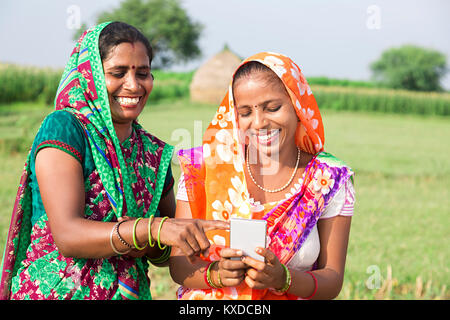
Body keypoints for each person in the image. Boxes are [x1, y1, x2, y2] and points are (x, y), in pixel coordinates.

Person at [0, 21, 228, 300]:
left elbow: (166, 251)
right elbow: (68, 236)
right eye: (118, 73)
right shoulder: (66, 129)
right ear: (91, 76)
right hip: (57, 292)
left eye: (143, 73)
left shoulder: (153, 154)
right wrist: (149, 229)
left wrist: (172, 241)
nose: (133, 85)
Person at [169, 52, 355, 300]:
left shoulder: (326, 179)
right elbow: (179, 266)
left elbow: (332, 278)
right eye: (245, 112)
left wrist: (285, 280)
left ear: (297, 104)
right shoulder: (203, 170)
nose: (258, 123)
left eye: (272, 108)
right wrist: (216, 274)